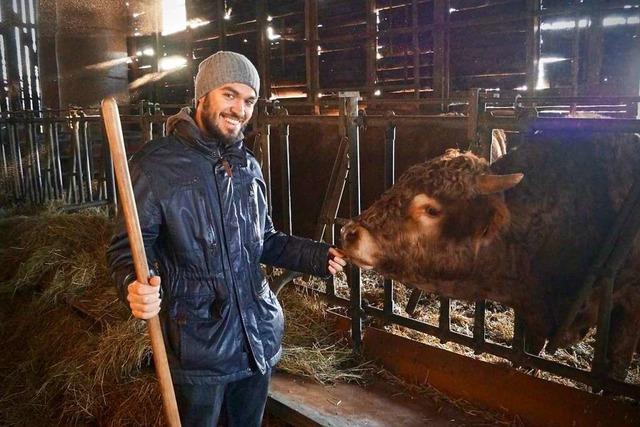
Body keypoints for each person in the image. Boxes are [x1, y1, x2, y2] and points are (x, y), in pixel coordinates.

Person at [107, 51, 346, 426]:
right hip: (198, 344)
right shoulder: (155, 165)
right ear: (202, 95)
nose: (240, 109)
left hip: (258, 337)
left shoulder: (246, 164)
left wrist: (316, 256)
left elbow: (264, 239)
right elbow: (129, 249)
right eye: (229, 95)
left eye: (249, 100)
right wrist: (135, 286)